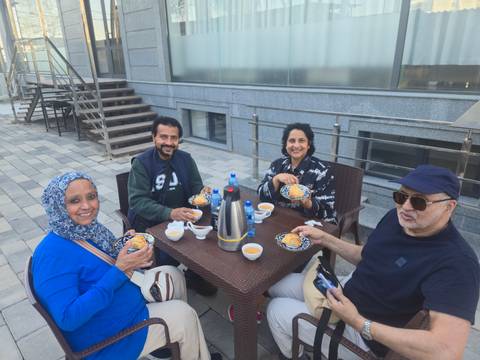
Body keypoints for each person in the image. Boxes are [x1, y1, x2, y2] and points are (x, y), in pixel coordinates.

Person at [267, 165, 480, 359]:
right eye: (401, 196)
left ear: (449, 207)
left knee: (276, 309)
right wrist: (325, 239)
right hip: (346, 291)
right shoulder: (394, 219)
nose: (405, 207)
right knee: (276, 285)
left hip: (365, 336)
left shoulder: (457, 264)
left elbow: (447, 351)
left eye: (419, 201)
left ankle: (298, 353)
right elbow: (366, 256)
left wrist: (359, 322)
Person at [32, 172, 217, 360]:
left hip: (119, 307)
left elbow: (100, 263)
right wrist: (120, 270)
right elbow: (68, 318)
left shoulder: (85, 230)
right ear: (58, 206)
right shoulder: (51, 255)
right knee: (185, 315)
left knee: (173, 274)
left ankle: (168, 347)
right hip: (108, 339)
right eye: (74, 201)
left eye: (91, 196)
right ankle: (189, 346)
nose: (87, 206)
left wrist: (127, 249)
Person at [127, 116, 217, 296]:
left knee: (208, 237)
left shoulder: (185, 159)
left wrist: (203, 193)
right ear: (154, 138)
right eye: (163, 137)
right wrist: (170, 212)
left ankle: (194, 275)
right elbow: (137, 202)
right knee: (170, 254)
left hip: (182, 217)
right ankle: (163, 281)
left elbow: (195, 188)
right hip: (151, 222)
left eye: (173, 138)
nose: (168, 142)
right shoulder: (142, 163)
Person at [257, 122, 336, 223]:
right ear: (286, 144)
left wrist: (308, 203)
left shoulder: (322, 170)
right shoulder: (277, 164)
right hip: (279, 219)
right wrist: (276, 179)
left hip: (309, 224)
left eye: (302, 141)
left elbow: (328, 212)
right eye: (292, 141)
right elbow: (261, 196)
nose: (296, 145)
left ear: (308, 145)